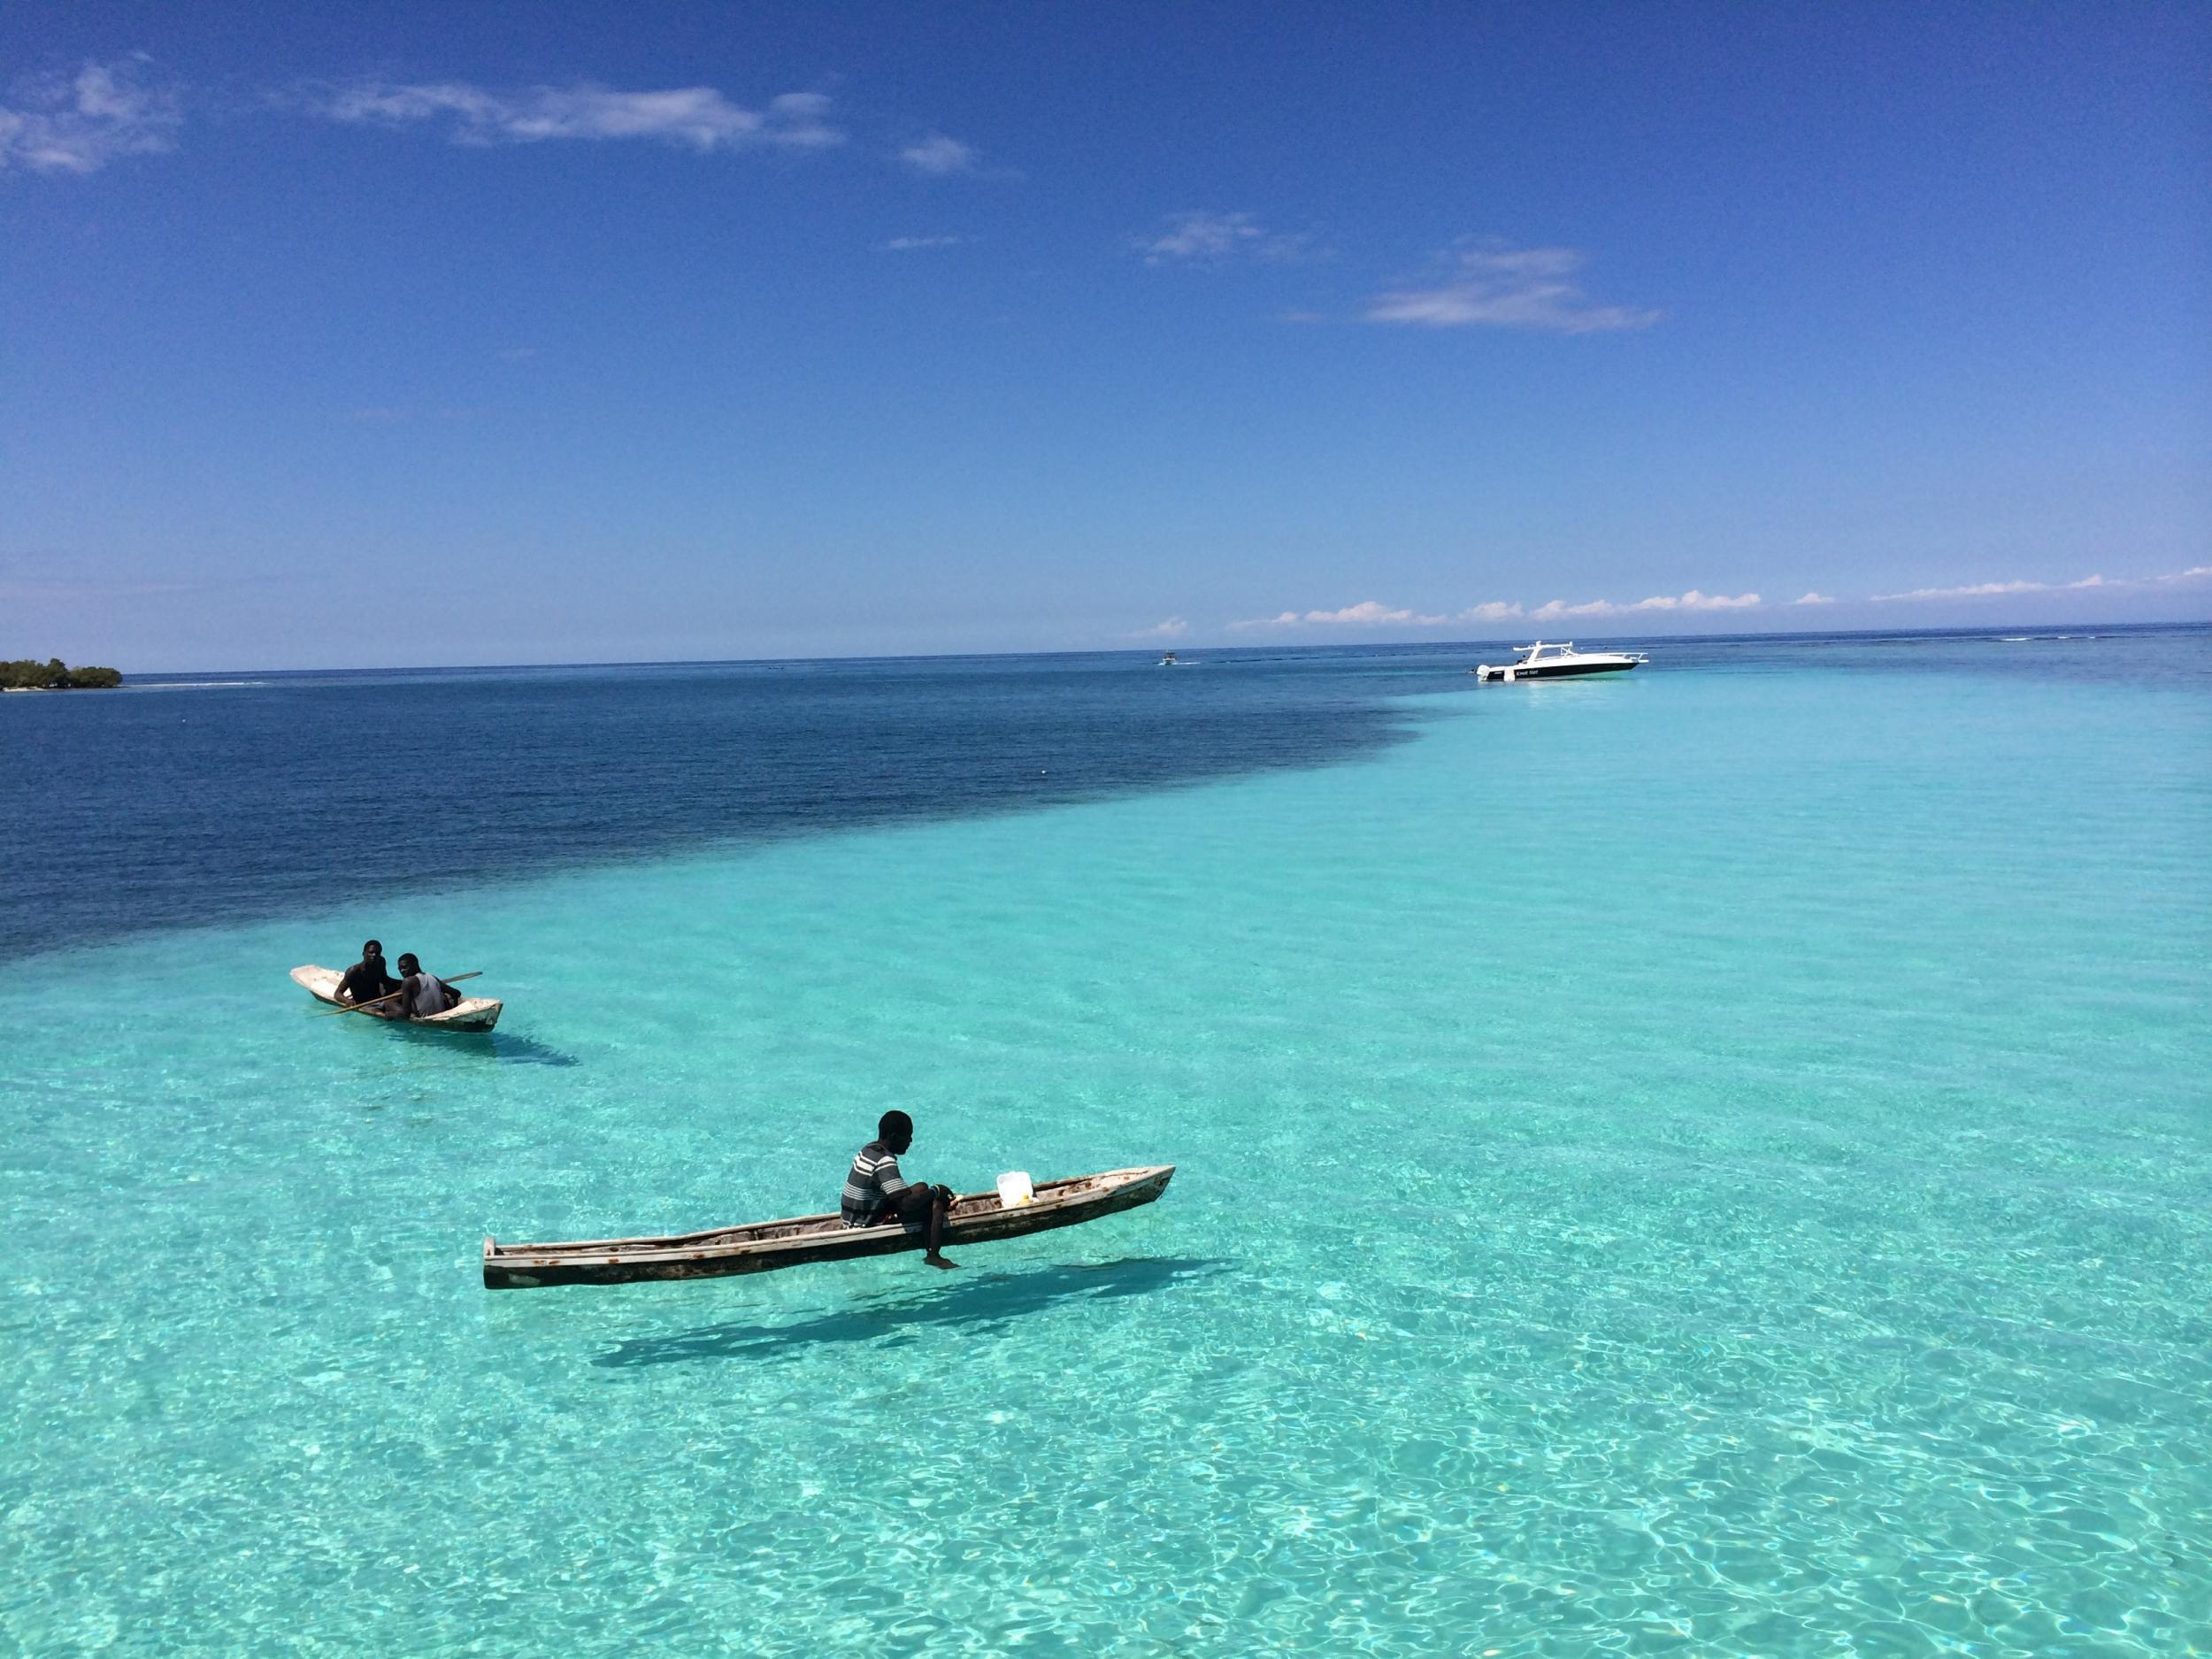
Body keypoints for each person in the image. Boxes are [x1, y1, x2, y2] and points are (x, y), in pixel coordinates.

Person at [841, 1110, 958, 1269]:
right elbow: (906, 1205)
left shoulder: (869, 1150)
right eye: (907, 1136)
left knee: (921, 1187)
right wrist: (936, 1191)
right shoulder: (885, 1161)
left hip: (852, 1216)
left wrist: (927, 1192)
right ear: (894, 1137)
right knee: (935, 1205)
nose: (910, 1140)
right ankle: (933, 1255)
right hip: (866, 1222)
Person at [334, 941, 403, 1018]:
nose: (374, 955)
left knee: (405, 988)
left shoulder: (381, 962)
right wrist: (347, 1001)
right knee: (380, 1014)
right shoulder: (353, 971)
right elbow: (337, 993)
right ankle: (386, 1015)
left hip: (380, 998)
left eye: (377, 953)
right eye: (371, 952)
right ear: (363, 953)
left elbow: (385, 980)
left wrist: (401, 983)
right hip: (364, 1004)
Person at [394, 953, 461, 1020]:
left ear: (415, 964)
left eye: (404, 967)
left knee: (388, 1003)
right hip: (441, 1015)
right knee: (444, 995)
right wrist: (452, 1005)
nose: (402, 971)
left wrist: (389, 1015)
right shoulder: (432, 977)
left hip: (425, 1018)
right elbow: (457, 993)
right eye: (399, 969)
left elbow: (406, 1015)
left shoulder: (407, 981)